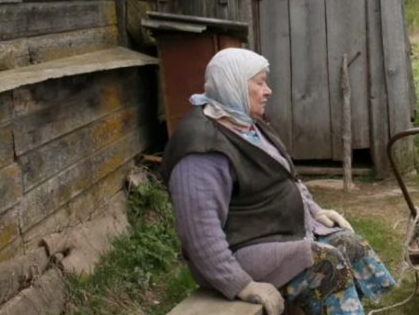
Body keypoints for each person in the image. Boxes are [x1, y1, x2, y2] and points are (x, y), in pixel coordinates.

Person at [159, 48, 396, 315]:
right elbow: (199, 235)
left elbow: (287, 177)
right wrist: (242, 285)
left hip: (279, 234)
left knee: (349, 244)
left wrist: (316, 212)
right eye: (259, 82)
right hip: (241, 252)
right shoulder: (201, 148)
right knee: (326, 263)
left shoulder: (246, 124)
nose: (268, 90)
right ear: (233, 84)